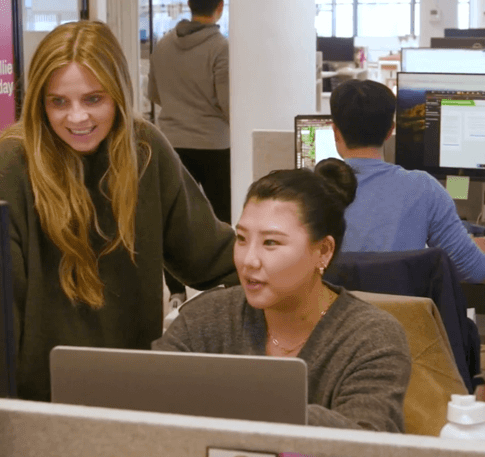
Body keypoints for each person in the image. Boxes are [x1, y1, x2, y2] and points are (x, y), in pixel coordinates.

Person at [0, 20, 236, 402]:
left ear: (118, 95)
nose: (77, 117)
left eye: (93, 99)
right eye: (58, 101)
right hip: (38, 401)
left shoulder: (144, 150)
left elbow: (212, 257)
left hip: (130, 389)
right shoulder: (10, 166)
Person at [153, 160, 412, 432]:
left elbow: (365, 442)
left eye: (270, 242)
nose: (248, 260)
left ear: (323, 251)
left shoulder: (371, 337)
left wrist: (230, 405)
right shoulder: (205, 319)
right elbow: (146, 396)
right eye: (241, 239)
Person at [329, 78, 485, 284]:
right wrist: (482, 250)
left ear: (335, 131)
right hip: (402, 316)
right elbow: (474, 271)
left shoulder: (308, 193)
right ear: (390, 131)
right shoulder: (424, 189)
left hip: (332, 315)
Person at [147, 0, 231, 302]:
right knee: (218, 219)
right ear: (220, 8)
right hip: (214, 144)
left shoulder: (164, 43)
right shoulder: (220, 47)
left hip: (172, 142)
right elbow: (227, 104)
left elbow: (153, 93)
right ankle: (221, 291)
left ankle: (176, 292)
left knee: (173, 219)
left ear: (189, 3)